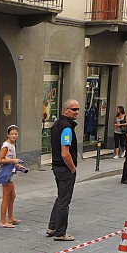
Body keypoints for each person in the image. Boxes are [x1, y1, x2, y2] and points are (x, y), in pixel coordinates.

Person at [47, 99, 79, 242]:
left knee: (60, 197)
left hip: (57, 167)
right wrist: (72, 168)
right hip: (64, 168)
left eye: (78, 109)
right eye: (73, 109)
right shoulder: (66, 128)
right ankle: (60, 233)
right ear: (66, 110)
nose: (76, 112)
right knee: (64, 201)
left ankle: (52, 227)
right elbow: (65, 153)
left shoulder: (57, 124)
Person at [0, 125, 27, 228]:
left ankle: (10, 218)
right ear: (8, 135)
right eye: (12, 134)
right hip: (6, 174)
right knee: (6, 198)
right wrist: (13, 161)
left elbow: (10, 159)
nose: (14, 136)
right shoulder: (6, 146)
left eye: (16, 134)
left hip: (10, 172)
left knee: (12, 196)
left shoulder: (12, 144)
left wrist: (18, 165)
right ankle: (2, 221)